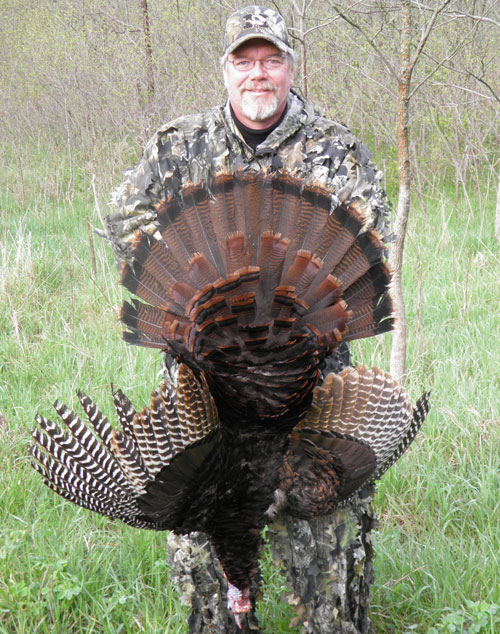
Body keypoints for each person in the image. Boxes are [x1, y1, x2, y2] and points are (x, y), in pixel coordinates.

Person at [104, 6, 391, 632]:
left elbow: (372, 242)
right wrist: (194, 298)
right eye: (244, 61)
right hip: (203, 392)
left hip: (311, 390)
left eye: (270, 60)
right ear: (225, 70)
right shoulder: (177, 147)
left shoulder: (336, 150)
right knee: (210, 553)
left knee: (330, 564)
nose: (257, 74)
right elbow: (125, 225)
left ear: (290, 67)